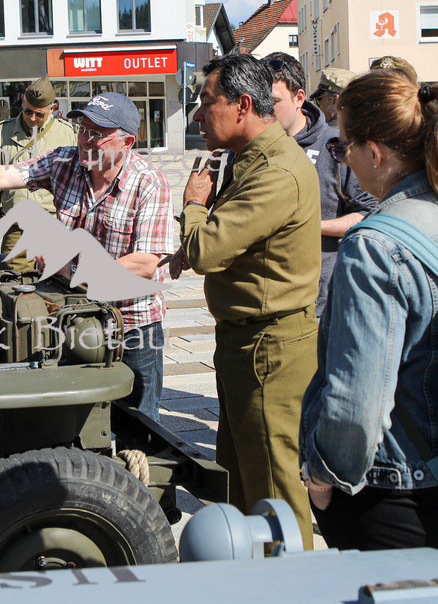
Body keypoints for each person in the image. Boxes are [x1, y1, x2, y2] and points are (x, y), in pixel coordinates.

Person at [299, 71, 438, 583]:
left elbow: (356, 402)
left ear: (375, 153)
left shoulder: (375, 246)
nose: (342, 159)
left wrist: (322, 478)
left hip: (405, 500)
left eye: (342, 146)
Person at [161, 53, 320, 549]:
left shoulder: (276, 170)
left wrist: (193, 204)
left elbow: (207, 251)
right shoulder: (247, 160)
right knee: (239, 479)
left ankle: (290, 581)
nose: (197, 115)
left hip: (271, 346)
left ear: (243, 105)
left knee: (274, 494)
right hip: (245, 342)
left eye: (207, 102)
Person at [0, 92, 174, 420]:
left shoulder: (150, 183)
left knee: (140, 423)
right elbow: (7, 174)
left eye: (97, 134)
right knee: (77, 419)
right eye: (83, 129)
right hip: (72, 319)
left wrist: (71, 268)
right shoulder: (65, 160)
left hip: (131, 325)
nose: (85, 140)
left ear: (127, 142)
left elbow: (146, 264)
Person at [265, 53, 377, 317]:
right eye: (261, 102)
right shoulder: (249, 147)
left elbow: (369, 214)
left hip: (321, 304)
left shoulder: (337, 146)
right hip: (263, 302)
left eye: (274, 102)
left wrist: (312, 226)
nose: (266, 111)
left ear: (299, 98)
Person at [0, 76, 77, 271]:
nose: (32, 118)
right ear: (23, 101)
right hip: (17, 227)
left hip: (55, 226)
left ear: (52, 108)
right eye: (28, 111)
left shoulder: (66, 133)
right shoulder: (1, 132)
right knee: (14, 282)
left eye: (39, 114)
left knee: (59, 284)